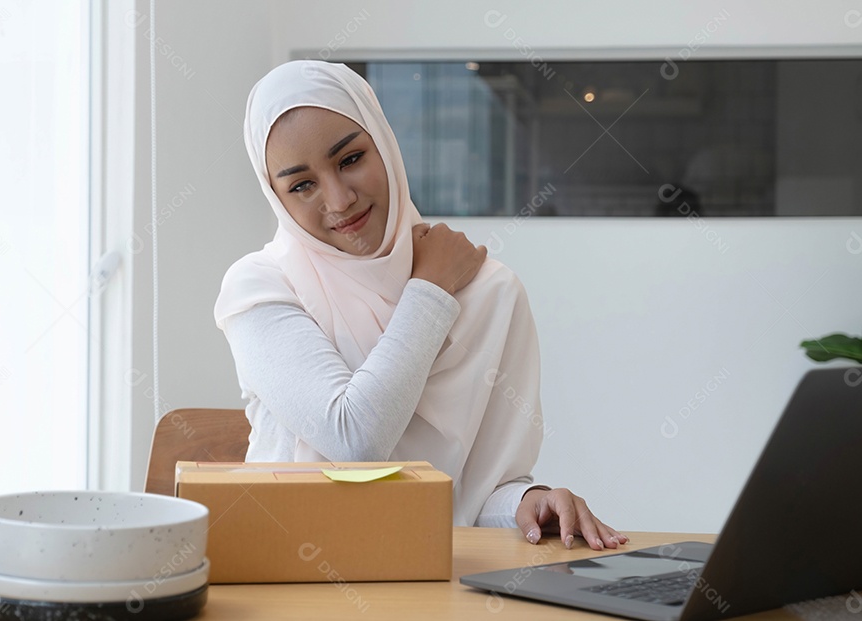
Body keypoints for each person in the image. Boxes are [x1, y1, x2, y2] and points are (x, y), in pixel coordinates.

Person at [214, 60, 627, 551]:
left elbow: (477, 494)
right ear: (276, 197)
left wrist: (529, 501)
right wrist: (430, 289)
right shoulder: (260, 286)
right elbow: (354, 441)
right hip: (289, 565)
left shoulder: (491, 294)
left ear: (385, 145)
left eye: (350, 159)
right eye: (302, 185)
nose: (340, 200)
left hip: (435, 570)